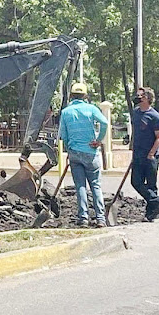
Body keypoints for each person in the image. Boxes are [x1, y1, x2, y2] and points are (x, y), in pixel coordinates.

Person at [58, 82, 109, 227]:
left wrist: (68, 149)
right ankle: (100, 218)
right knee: (95, 185)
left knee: (80, 186)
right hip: (90, 152)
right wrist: (98, 140)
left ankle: (83, 218)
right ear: (85, 96)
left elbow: (64, 135)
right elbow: (104, 123)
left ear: (71, 96)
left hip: (74, 152)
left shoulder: (66, 112)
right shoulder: (91, 109)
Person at [132, 87, 159, 222]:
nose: (137, 97)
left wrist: (151, 153)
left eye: (139, 95)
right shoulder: (136, 113)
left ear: (147, 98)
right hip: (137, 155)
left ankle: (151, 214)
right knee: (136, 182)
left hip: (151, 156)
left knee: (151, 185)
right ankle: (158, 202)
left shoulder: (154, 116)